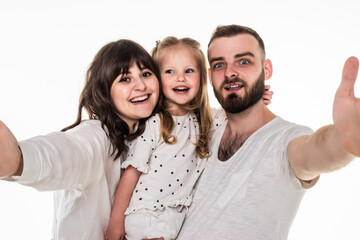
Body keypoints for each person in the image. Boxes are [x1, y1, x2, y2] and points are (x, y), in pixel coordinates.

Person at [176, 24, 360, 239]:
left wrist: (344, 139)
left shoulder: (285, 139)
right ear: (209, 75)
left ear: (266, 69)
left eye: (243, 61)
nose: (230, 73)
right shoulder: (198, 128)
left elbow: (315, 151)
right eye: (219, 65)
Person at [0, 39, 162, 240]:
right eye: (125, 79)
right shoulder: (97, 135)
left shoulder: (152, 139)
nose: (140, 86)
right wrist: (20, 160)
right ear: (105, 91)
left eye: (146, 74)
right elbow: (69, 153)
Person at [105, 37, 213, 240]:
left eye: (189, 71)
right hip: (146, 216)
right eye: (170, 71)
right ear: (157, 77)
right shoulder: (156, 123)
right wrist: (116, 221)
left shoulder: (203, 121)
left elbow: (237, 116)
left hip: (173, 218)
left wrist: (257, 98)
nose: (180, 78)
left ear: (202, 77)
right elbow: (130, 175)